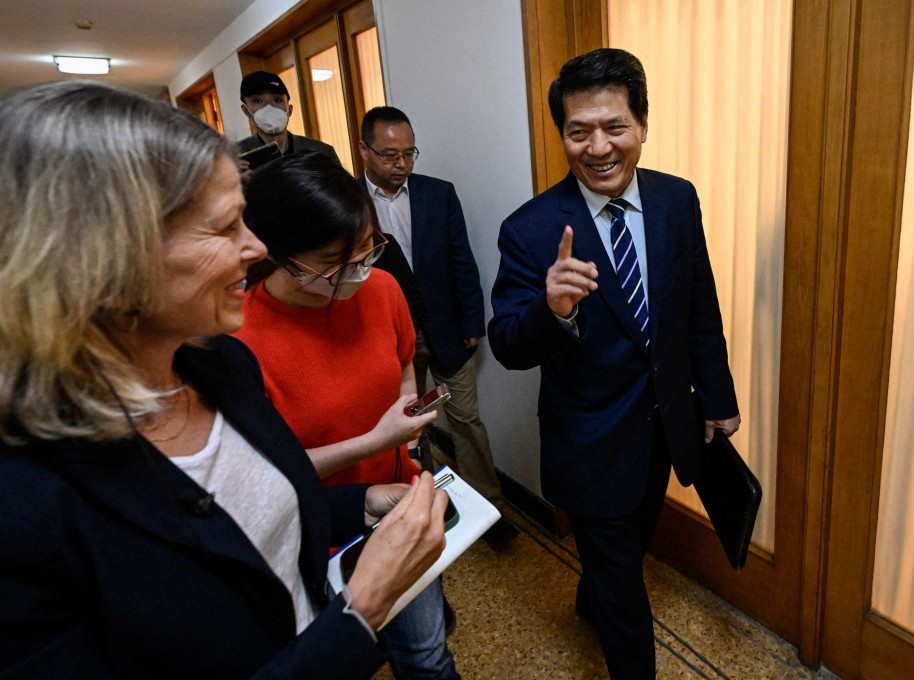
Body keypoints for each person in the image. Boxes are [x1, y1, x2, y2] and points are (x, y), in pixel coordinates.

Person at [0, 81, 448, 679]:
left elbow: (261, 516)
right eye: (223, 228)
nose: (255, 248)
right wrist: (360, 613)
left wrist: (359, 502)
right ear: (99, 259)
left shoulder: (218, 368)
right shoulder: (22, 507)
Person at [488, 48, 740, 679]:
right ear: (563, 135)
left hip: (667, 429)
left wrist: (717, 396)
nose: (597, 147)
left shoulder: (677, 200)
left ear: (643, 125)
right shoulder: (530, 228)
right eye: (578, 132)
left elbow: (698, 304)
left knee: (624, 552)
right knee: (627, 592)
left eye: (614, 127)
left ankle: (591, 594)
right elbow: (506, 344)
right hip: (591, 442)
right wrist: (553, 309)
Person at [234, 151, 460, 679]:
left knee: (427, 654)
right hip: (312, 534)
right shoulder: (240, 339)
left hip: (396, 505)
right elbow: (265, 477)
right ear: (280, 254)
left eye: (368, 247)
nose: (361, 269)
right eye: (338, 261)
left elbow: (403, 363)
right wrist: (375, 439)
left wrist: (403, 427)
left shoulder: (382, 290)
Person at [359, 106, 517, 544]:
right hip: (389, 342)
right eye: (390, 155)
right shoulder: (348, 201)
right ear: (364, 151)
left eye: (409, 154)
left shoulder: (438, 193)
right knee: (408, 428)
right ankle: (419, 508)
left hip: (448, 331)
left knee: (467, 421)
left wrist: (472, 321)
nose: (401, 165)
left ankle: (490, 509)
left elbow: (461, 260)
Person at [237, 70, 341, 180]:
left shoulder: (321, 152)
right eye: (257, 101)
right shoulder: (233, 158)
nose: (269, 108)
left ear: (289, 110)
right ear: (246, 111)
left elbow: (345, 193)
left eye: (277, 100)